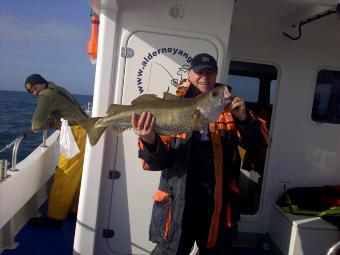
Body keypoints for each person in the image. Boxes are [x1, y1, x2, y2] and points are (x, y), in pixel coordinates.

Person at [131, 53, 268, 255]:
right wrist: (149, 140)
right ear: (189, 74)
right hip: (177, 205)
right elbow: (156, 163)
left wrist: (245, 119)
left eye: (210, 72)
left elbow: (259, 144)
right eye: (199, 72)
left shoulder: (232, 108)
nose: (205, 76)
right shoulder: (170, 108)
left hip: (218, 208)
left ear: (216, 75)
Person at [25, 73, 88, 228]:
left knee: (64, 173)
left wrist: (46, 125)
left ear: (40, 83)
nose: (34, 93)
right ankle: (74, 210)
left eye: (34, 88)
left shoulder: (46, 95)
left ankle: (55, 218)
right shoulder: (57, 89)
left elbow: (36, 124)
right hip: (83, 130)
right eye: (31, 91)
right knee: (75, 174)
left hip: (76, 133)